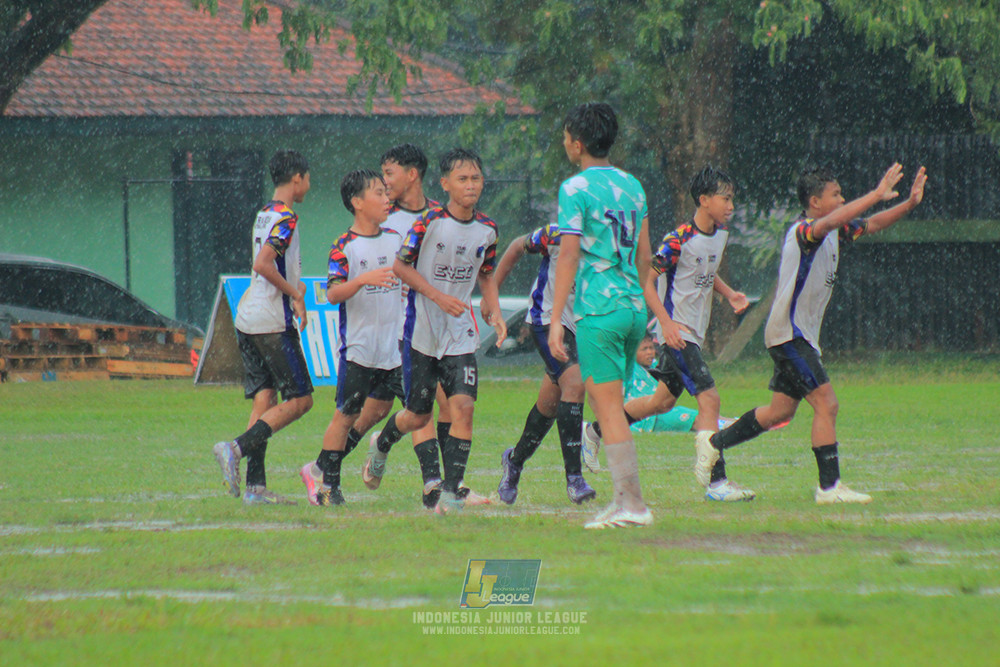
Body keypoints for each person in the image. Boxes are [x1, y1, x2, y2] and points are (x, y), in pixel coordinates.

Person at [704, 163, 927, 504]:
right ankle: (829, 488)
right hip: (789, 337)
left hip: (797, 337)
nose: (841, 199)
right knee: (827, 403)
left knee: (780, 413)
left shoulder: (834, 230)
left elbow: (872, 224)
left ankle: (714, 445)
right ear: (814, 202)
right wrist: (875, 194)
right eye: (835, 195)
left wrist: (908, 204)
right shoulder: (804, 231)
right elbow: (832, 223)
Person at [581, 165, 755, 502]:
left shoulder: (719, 234)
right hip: (677, 333)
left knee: (661, 402)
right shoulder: (677, 240)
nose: (731, 205)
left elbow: (705, 272)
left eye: (733, 198)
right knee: (710, 399)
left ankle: (595, 430)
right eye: (725, 198)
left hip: (690, 332)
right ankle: (717, 483)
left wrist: (729, 292)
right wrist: (668, 324)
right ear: (704, 200)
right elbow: (647, 282)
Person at [362, 148, 507, 514]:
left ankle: (451, 492)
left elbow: (486, 272)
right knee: (418, 416)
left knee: (463, 407)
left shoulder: (487, 229)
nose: (470, 186)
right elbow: (399, 267)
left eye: (476, 178)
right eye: (462, 179)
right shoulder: (427, 224)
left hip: (460, 333)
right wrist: (438, 297)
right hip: (421, 333)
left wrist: (495, 309)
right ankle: (383, 442)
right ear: (445, 184)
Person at [548, 102, 653, 529]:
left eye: (566, 136)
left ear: (578, 142)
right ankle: (623, 500)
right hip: (631, 308)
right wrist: (642, 305)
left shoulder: (574, 188)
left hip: (599, 310)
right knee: (610, 404)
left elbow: (569, 254)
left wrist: (556, 319)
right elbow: (646, 255)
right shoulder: (633, 185)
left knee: (607, 409)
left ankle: (633, 504)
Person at [212, 149, 314, 505]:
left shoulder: (263, 214)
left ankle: (255, 488)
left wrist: (295, 290)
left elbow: (274, 268)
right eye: (307, 178)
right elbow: (264, 264)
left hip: (248, 319)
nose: (308, 185)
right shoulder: (287, 218)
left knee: (264, 397)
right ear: (297, 178)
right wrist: (294, 296)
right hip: (271, 321)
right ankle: (234, 449)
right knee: (301, 400)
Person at [299, 169, 401, 506]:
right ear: (357, 202)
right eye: (378, 193)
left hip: (393, 348)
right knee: (345, 415)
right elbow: (332, 294)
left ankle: (320, 467)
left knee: (384, 407)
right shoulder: (345, 246)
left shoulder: (394, 240)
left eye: (387, 192)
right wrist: (362, 280)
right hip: (359, 349)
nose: (387, 198)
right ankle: (328, 485)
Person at [492, 223, 596, 506]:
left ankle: (514, 462)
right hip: (546, 319)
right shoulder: (557, 233)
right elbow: (515, 246)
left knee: (549, 406)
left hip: (584, 326)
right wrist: (493, 293)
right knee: (574, 384)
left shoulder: (610, 239)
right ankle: (574, 479)